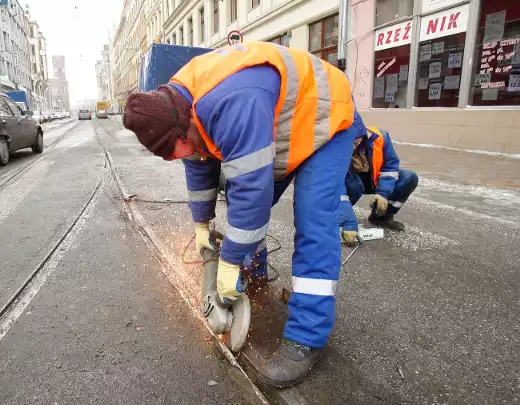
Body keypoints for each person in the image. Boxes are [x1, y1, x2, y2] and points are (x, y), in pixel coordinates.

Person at [122, 42, 367, 388]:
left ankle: (307, 338)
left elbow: (251, 192)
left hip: (326, 118)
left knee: (312, 221)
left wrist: (229, 260)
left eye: (177, 149)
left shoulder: (232, 103)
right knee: (245, 215)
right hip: (278, 123)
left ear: (182, 124)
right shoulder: (177, 101)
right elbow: (199, 165)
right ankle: (253, 273)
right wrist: (201, 223)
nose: (179, 158)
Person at [340, 126, 419, 245]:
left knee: (409, 178)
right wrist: (348, 222)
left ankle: (380, 217)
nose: (352, 145)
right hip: (349, 183)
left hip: (373, 180)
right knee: (353, 188)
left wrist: (383, 193)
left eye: (355, 140)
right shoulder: (333, 144)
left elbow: (390, 167)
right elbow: (336, 187)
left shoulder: (380, 137)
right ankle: (337, 219)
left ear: (362, 134)